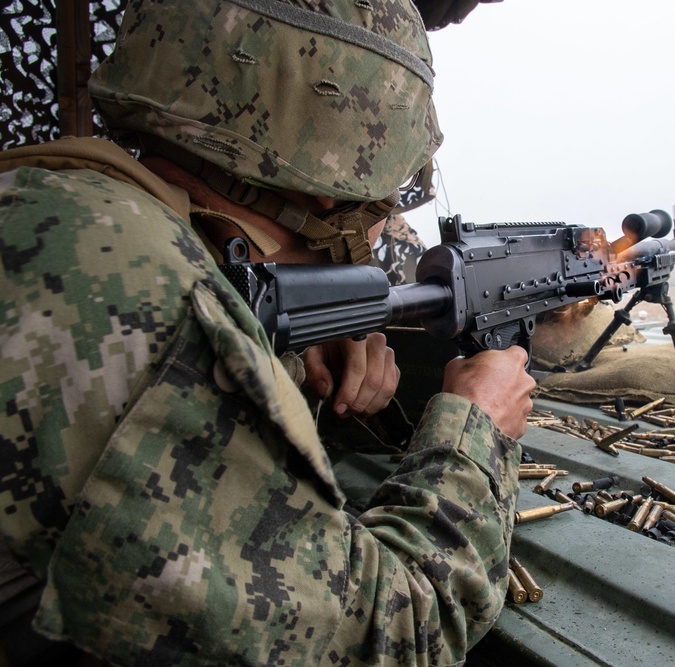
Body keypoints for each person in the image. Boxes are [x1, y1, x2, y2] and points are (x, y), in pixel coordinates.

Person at [0, 0, 535, 664]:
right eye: (389, 190)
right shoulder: (157, 303)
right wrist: (477, 424)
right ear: (329, 190)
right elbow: (393, 632)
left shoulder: (57, 204)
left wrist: (275, 357)